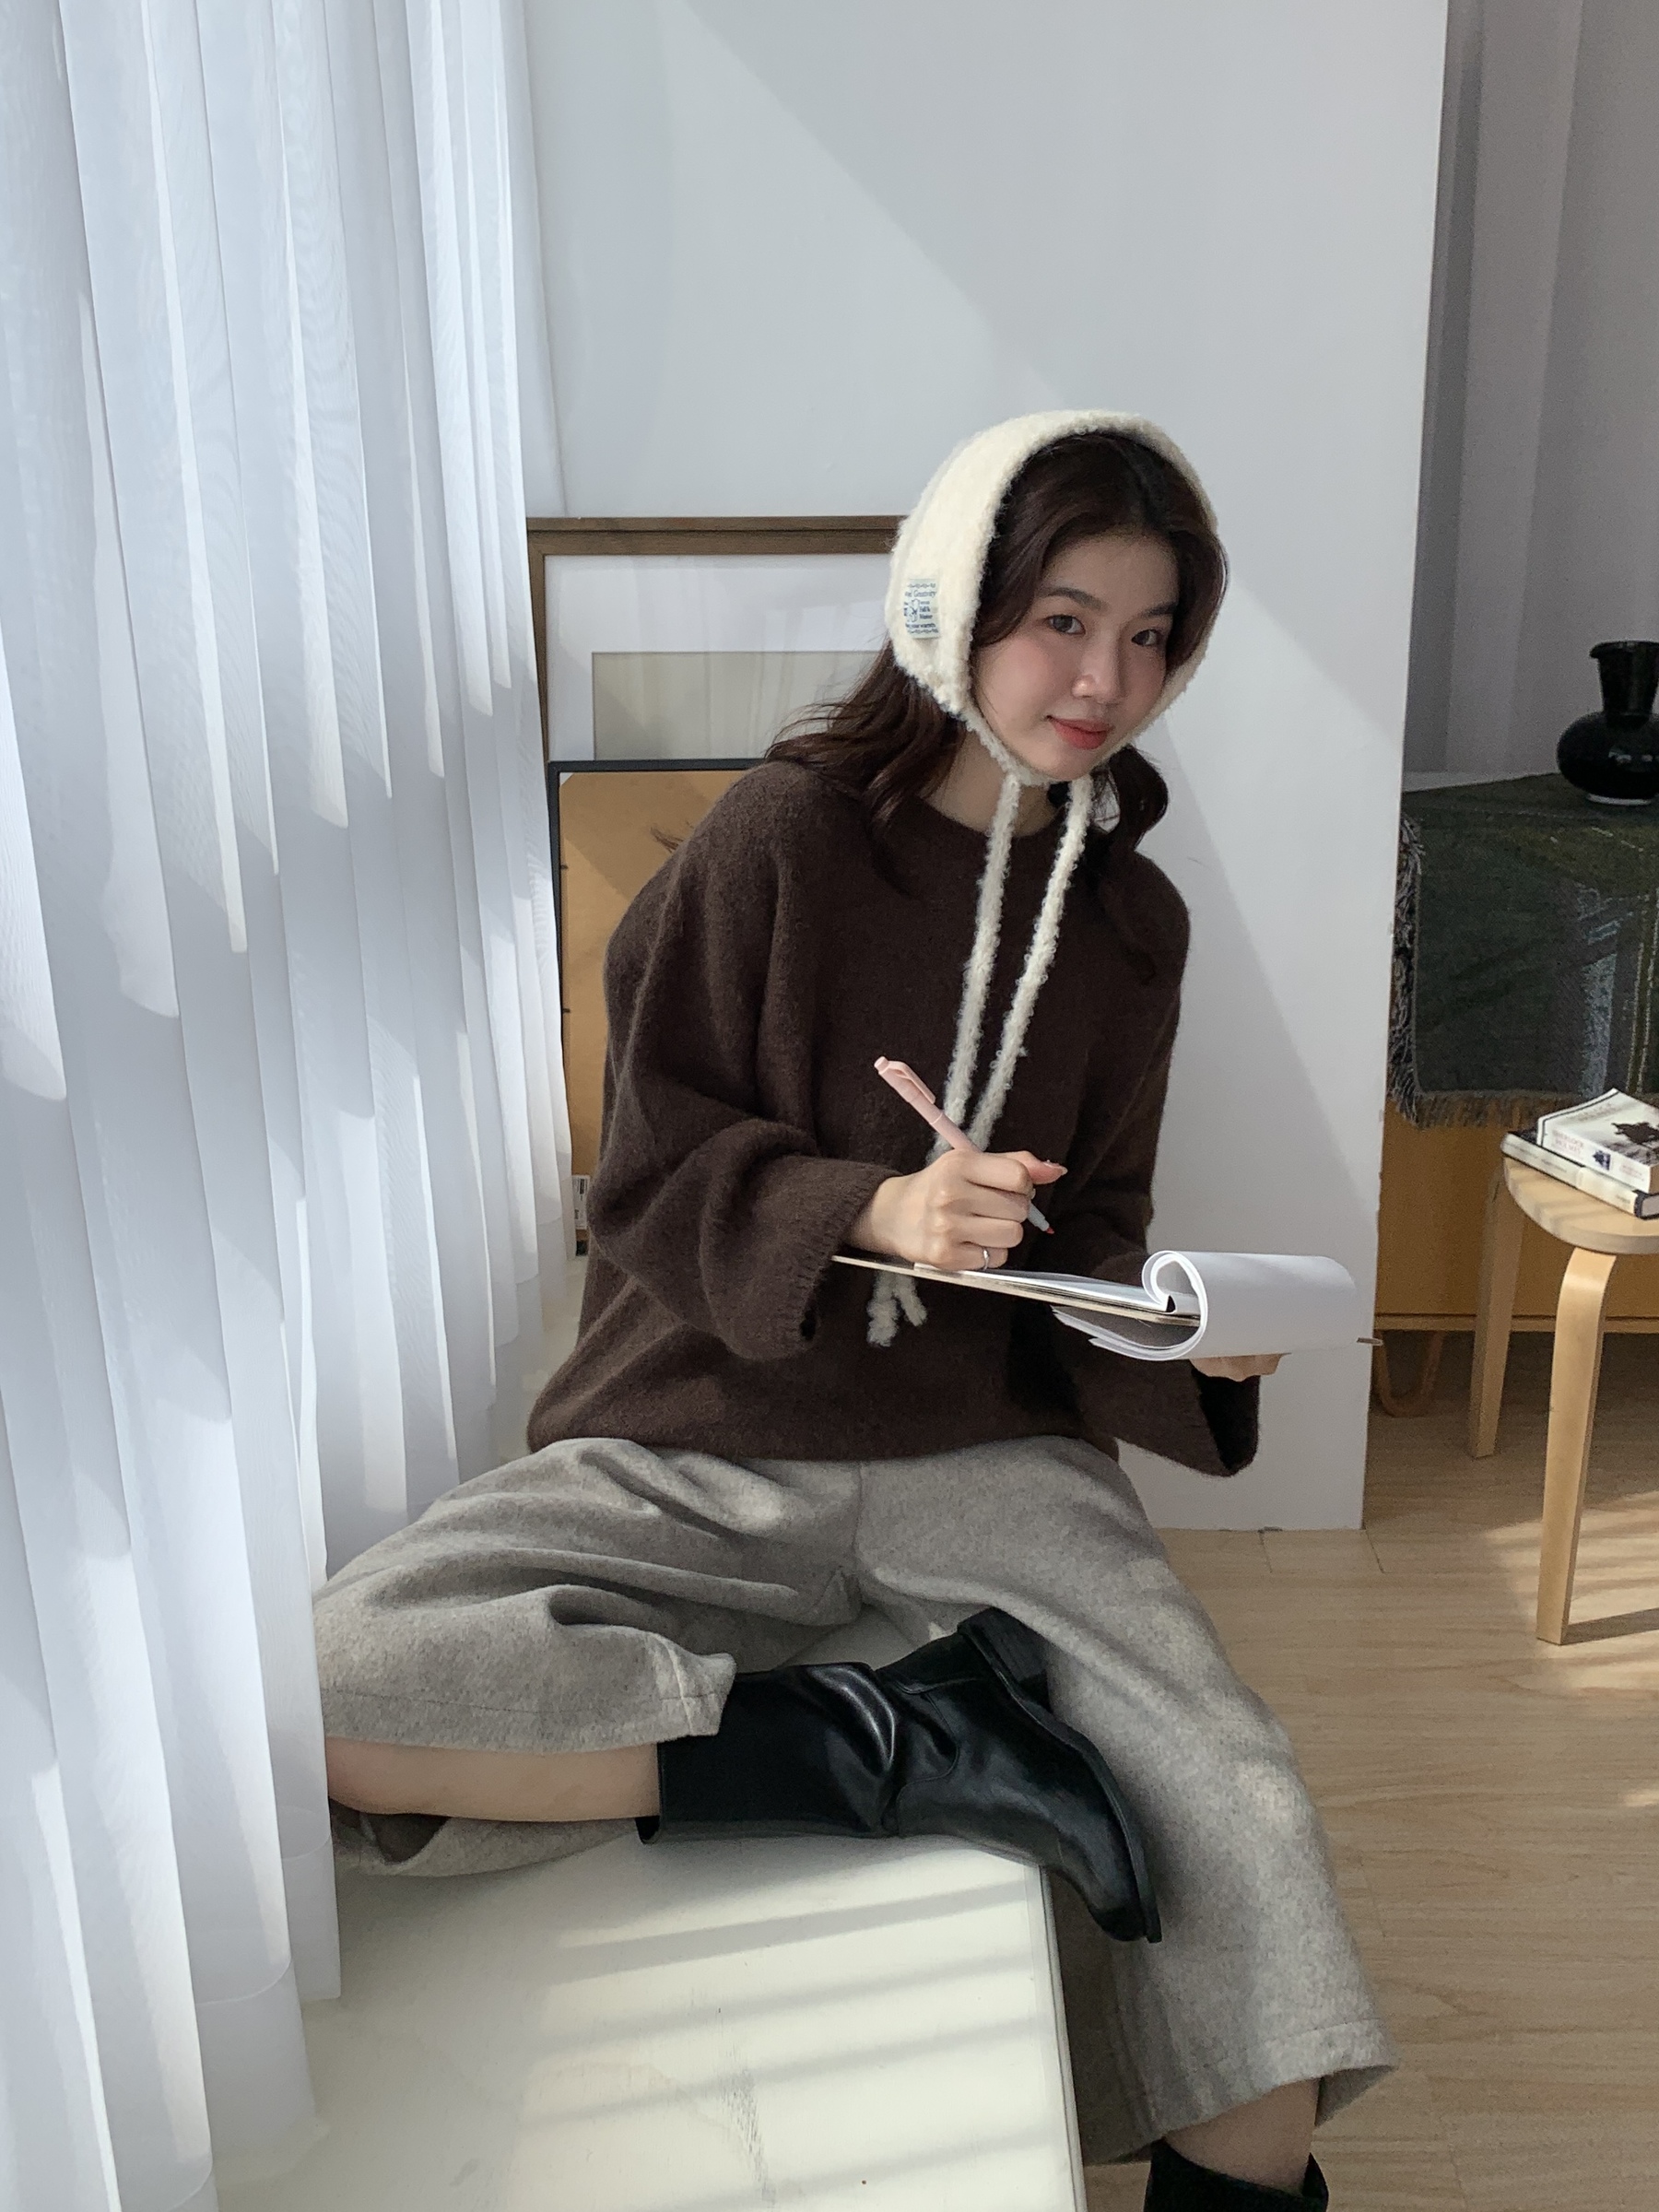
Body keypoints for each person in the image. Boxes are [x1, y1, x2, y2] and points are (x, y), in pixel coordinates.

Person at [317, 412, 1394, 2207]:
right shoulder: (778, 841)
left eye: (1149, 636)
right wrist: (877, 1208)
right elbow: (645, 1178)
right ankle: (888, 1740)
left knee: (1239, 1811)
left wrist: (1176, 1333)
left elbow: (1093, 1235)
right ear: (953, 606)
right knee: (332, 1686)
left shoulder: (1133, 925)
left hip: (990, 1461)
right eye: (1063, 620)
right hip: (701, 1437)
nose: (1105, 680)